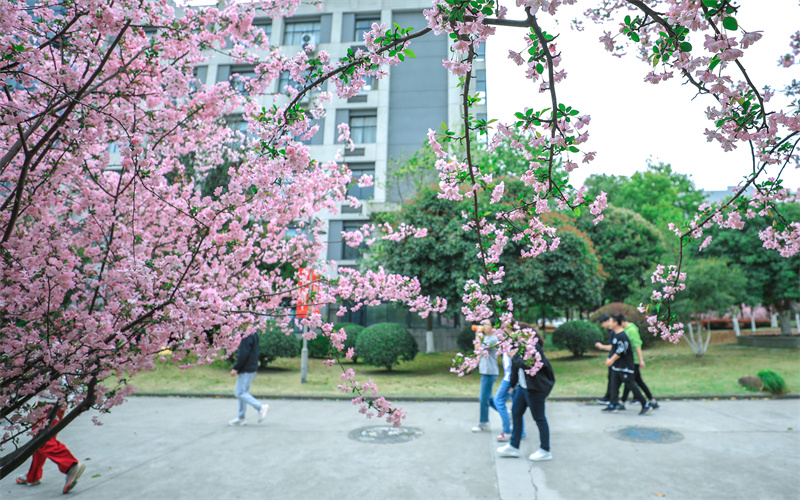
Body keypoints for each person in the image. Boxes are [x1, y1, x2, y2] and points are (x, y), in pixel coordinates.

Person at [496, 329, 555, 461]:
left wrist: (514, 357)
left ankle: (545, 450)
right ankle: (513, 446)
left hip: (535, 388)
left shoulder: (533, 347)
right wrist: (512, 385)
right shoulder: (519, 346)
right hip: (522, 387)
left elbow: (527, 365)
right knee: (516, 413)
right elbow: (515, 368)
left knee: (539, 418)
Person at [15, 408, 86, 494]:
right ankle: (33, 476)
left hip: (47, 404)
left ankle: (70, 465)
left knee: (42, 438)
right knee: (42, 438)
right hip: (55, 403)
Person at [594, 314, 653, 415]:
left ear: (616, 323)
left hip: (625, 366)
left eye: (611, 321)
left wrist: (611, 360)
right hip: (617, 366)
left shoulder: (622, 336)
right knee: (614, 385)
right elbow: (614, 348)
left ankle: (645, 405)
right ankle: (613, 405)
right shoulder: (616, 335)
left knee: (631, 385)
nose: (609, 323)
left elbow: (621, 350)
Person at [618, 315, 659, 409]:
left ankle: (623, 401)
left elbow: (637, 345)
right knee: (637, 381)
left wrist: (640, 360)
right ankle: (651, 400)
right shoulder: (627, 330)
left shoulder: (631, 330)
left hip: (634, 360)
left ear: (622, 322)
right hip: (631, 360)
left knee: (630, 381)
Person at [229, 331, 269, 426]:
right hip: (251, 367)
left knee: (239, 393)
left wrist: (236, 368)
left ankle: (260, 407)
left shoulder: (247, 334)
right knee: (244, 393)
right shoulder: (254, 333)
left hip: (247, 368)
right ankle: (241, 418)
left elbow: (244, 353)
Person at [471, 320, 499, 432]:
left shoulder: (493, 339)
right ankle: (507, 413)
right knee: (488, 399)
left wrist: (478, 335)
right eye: (484, 324)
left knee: (483, 399)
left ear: (493, 327)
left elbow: (478, 350)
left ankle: (484, 423)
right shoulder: (487, 338)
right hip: (485, 371)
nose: (484, 326)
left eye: (487, 324)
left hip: (490, 372)